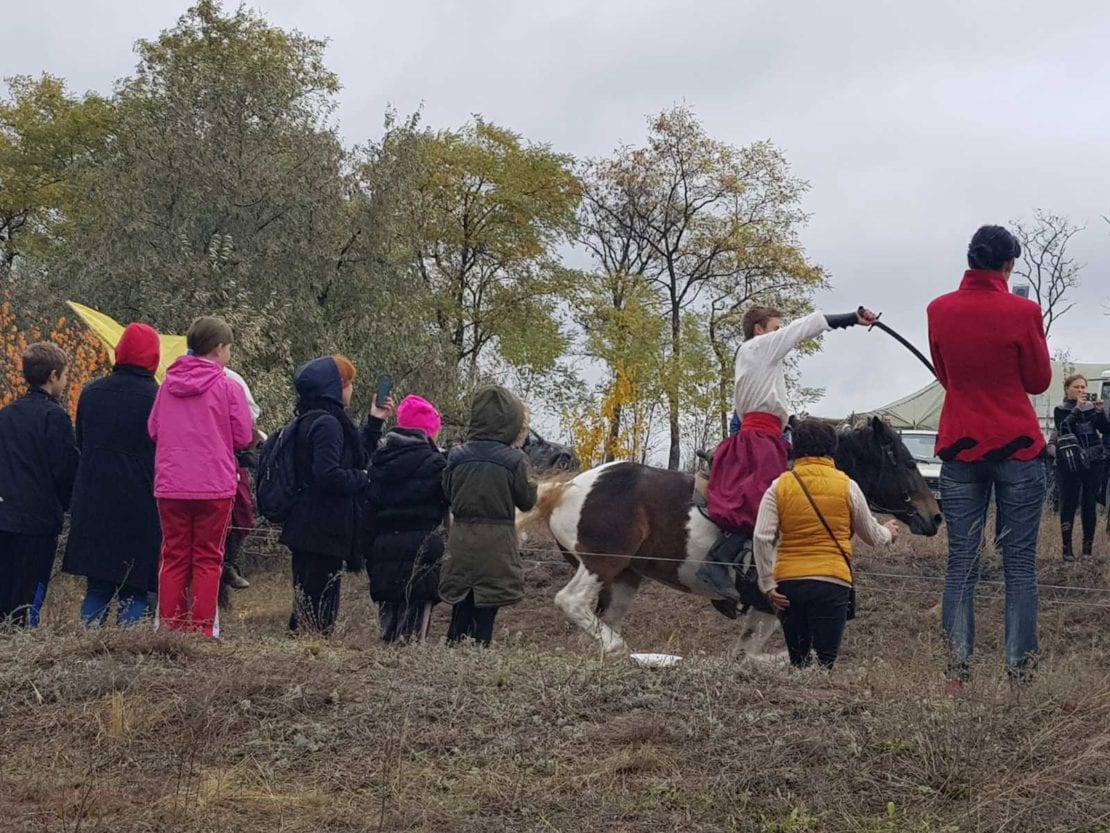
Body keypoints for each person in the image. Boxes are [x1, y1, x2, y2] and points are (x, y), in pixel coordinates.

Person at [927, 224, 1052, 687]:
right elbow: (1038, 380)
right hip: (1017, 445)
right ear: (1008, 265)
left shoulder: (938, 310)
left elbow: (945, 373)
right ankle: (1019, 674)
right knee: (1019, 564)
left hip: (960, 443)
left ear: (969, 259)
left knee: (962, 561)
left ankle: (957, 673)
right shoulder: (1023, 311)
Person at [699, 303, 878, 616]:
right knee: (767, 500)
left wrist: (792, 423)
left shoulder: (758, 361)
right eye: (775, 328)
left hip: (767, 433)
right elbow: (807, 325)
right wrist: (850, 318)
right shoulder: (759, 347)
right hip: (761, 438)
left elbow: (770, 402)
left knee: (769, 500)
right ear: (759, 329)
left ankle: (746, 567)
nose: (779, 334)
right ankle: (719, 562)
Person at [756, 420, 898, 669]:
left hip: (790, 583)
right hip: (833, 583)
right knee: (824, 663)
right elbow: (872, 536)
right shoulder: (847, 486)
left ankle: (796, 695)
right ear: (832, 448)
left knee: (798, 660)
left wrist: (767, 583)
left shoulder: (779, 486)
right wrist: (888, 532)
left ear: (795, 448)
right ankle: (819, 699)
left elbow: (761, 537)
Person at [148, 316, 253, 638]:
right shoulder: (228, 386)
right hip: (214, 486)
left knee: (174, 555)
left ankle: (170, 627)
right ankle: (204, 630)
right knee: (209, 557)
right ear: (219, 348)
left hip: (172, 484)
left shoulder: (167, 384)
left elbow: (153, 430)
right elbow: (243, 436)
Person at [278, 356, 389, 636]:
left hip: (308, 524)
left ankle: (302, 652)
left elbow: (353, 457)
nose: (352, 390)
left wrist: (374, 422)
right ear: (335, 387)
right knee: (319, 605)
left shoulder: (312, 418)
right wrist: (364, 478)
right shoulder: (328, 423)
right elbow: (329, 474)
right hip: (322, 526)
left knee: (307, 600)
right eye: (349, 383)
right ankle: (310, 655)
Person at [63, 323, 161, 625]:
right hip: (141, 501)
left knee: (98, 583)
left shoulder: (92, 393)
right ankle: (126, 650)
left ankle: (88, 641)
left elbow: (82, 442)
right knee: (135, 585)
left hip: (95, 498)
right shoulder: (158, 398)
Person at [440, 385, 537, 647]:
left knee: (459, 611)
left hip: (460, 541)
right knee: (485, 616)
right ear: (512, 420)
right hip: (497, 547)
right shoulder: (515, 461)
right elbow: (527, 502)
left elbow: (447, 492)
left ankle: (449, 664)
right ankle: (477, 667)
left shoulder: (457, 455)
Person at [0, 343, 79, 626]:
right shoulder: (55, 418)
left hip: (5, 515)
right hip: (38, 520)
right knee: (30, 590)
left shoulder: (6, 414)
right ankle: (24, 635)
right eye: (66, 375)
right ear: (54, 375)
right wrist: (67, 504)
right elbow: (65, 468)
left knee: (5, 585)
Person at [366, 395, 450, 644]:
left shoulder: (379, 461)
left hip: (383, 548)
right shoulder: (437, 464)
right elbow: (447, 502)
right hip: (423, 548)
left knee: (388, 629)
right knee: (414, 637)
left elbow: (368, 508)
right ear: (429, 432)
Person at [1050, 374, 1108, 560]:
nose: (1081, 391)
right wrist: (1077, 409)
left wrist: (1100, 413)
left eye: (1083, 387)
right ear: (1067, 389)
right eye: (1077, 387)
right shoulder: (1061, 409)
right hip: (1070, 460)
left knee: (1089, 503)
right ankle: (1067, 548)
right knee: (1069, 502)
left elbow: (1105, 430)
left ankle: (1087, 549)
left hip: (1093, 459)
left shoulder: (1091, 409)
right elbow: (1064, 427)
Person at [222, 367, 263, 592]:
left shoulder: (231, 378)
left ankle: (228, 562)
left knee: (241, 513)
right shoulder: (229, 381)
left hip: (229, 459)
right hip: (214, 465)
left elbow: (249, 418)